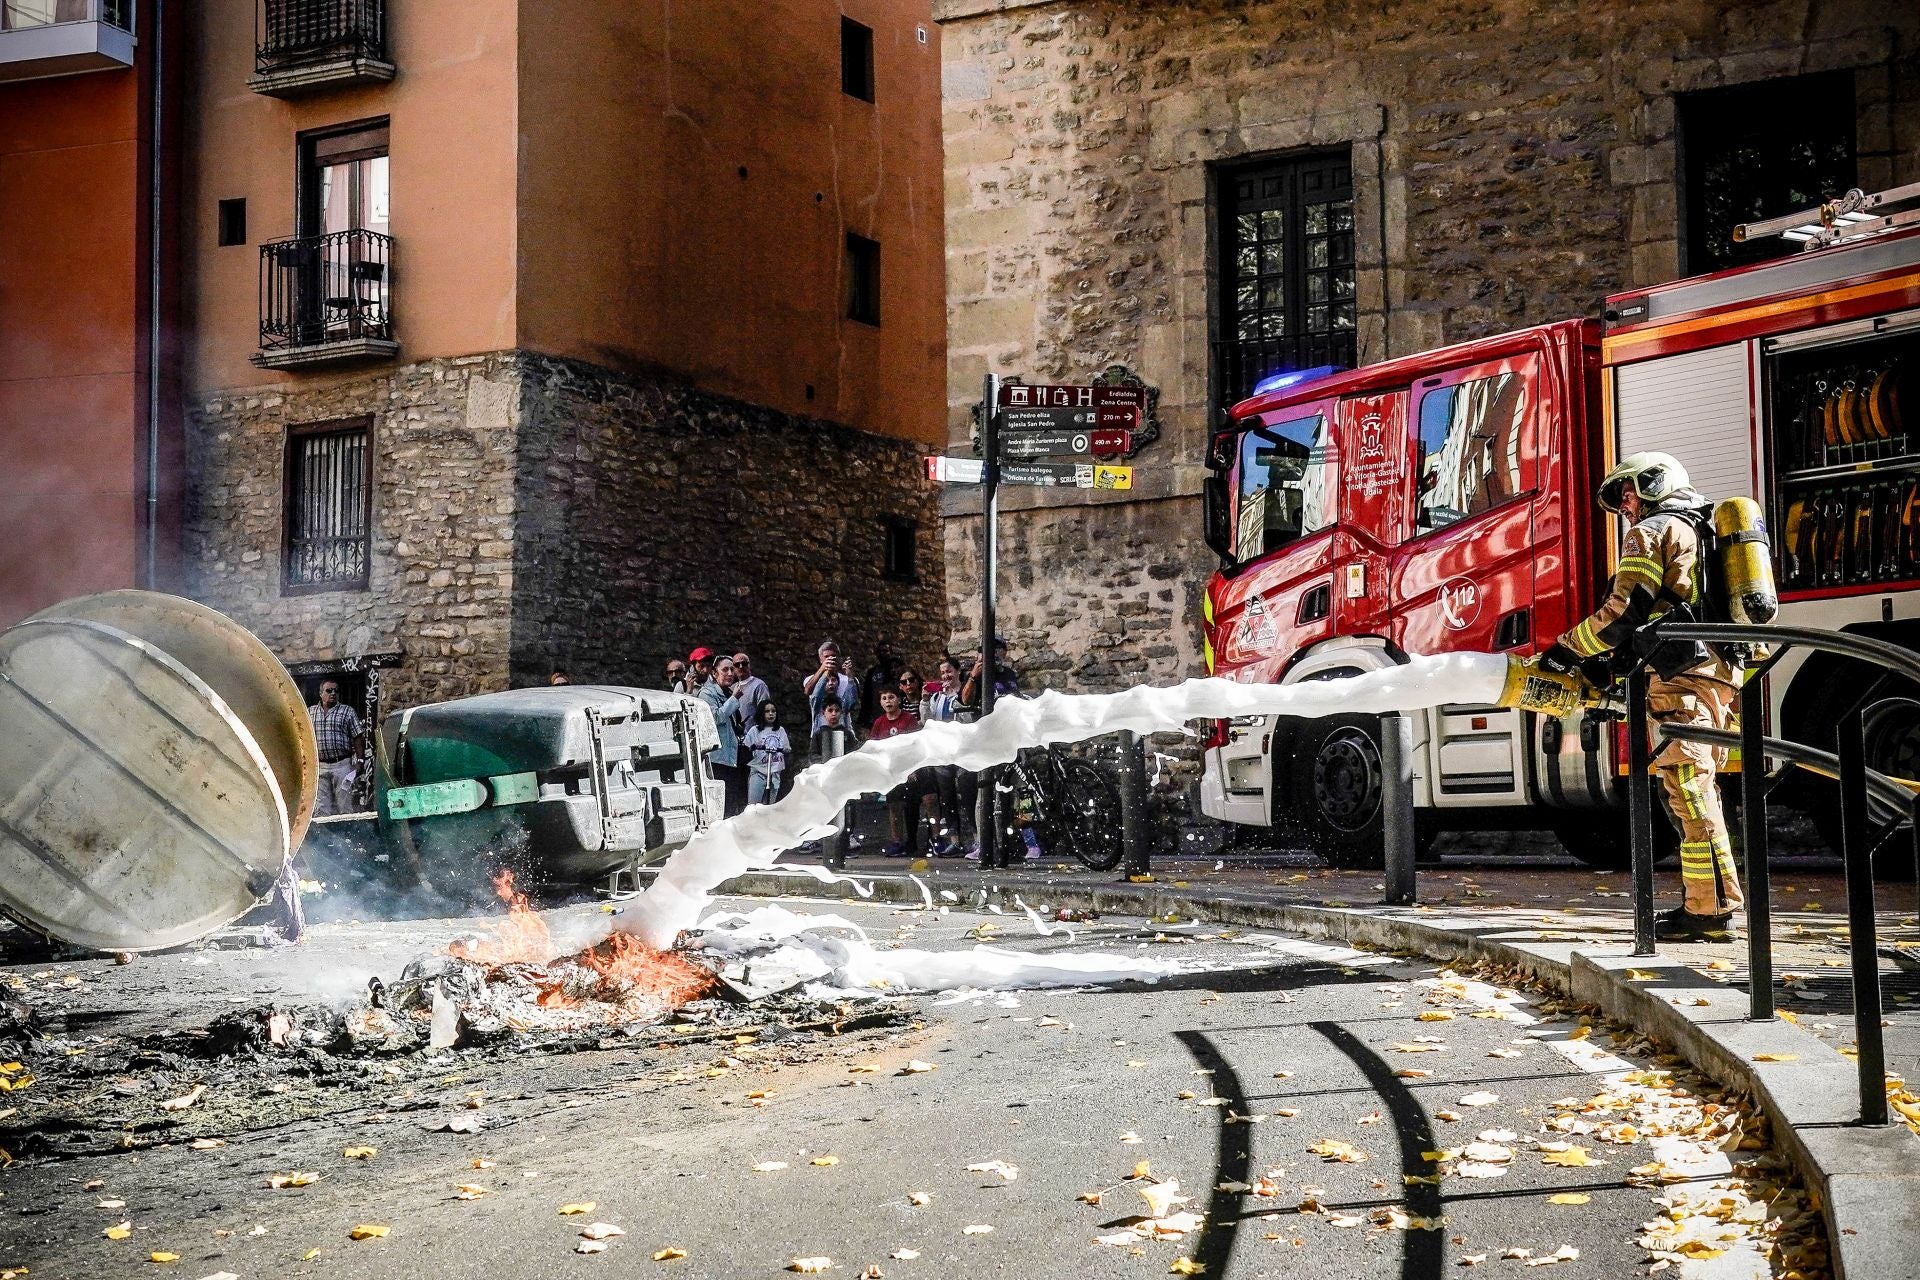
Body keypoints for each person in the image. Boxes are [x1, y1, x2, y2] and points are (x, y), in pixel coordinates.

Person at [1537, 452, 1745, 940]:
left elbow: (1622, 610)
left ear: (1655, 483)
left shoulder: (1651, 532)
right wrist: (1615, 664)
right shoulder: (1699, 529)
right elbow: (1661, 612)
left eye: (1627, 491)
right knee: (1695, 789)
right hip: (1709, 671)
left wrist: (1566, 652)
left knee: (1688, 788)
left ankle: (1712, 912)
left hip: (1685, 677)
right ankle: (1708, 904)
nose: (1624, 505)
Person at [924, 655, 975, 858]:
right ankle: (955, 841)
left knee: (969, 794)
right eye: (943, 672)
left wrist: (956, 700)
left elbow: (968, 719)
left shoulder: (965, 692)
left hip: (963, 751)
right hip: (943, 752)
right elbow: (927, 721)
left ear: (957, 672)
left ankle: (977, 838)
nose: (946, 675)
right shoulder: (938, 697)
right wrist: (925, 701)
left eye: (949, 671)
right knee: (947, 798)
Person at [867, 687, 923, 857]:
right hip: (890, 771)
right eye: (884, 698)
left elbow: (916, 744)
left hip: (908, 769)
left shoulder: (908, 719)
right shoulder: (879, 722)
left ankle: (912, 841)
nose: (888, 701)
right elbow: (874, 747)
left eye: (891, 697)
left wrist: (912, 769)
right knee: (894, 806)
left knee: (911, 806)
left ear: (899, 700)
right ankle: (896, 841)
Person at [698, 654, 748, 817]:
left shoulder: (727, 693)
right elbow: (714, 718)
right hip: (716, 758)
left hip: (730, 756)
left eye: (732, 669)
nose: (730, 673)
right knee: (720, 805)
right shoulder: (707, 694)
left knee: (733, 801)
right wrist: (734, 699)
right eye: (724, 669)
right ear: (714, 673)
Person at [307, 680, 364, 818]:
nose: (333, 693)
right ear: (321, 693)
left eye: (336, 691)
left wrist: (360, 761)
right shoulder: (310, 712)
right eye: (329, 690)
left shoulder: (347, 712)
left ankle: (348, 836)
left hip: (342, 765)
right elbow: (303, 736)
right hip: (320, 766)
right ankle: (324, 838)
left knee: (345, 805)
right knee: (320, 807)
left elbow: (357, 737)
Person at [804, 639, 861, 733]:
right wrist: (823, 669)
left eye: (833, 656)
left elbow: (851, 702)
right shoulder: (812, 679)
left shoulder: (845, 679)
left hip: (843, 732)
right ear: (820, 659)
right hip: (820, 732)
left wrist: (850, 675)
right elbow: (808, 691)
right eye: (826, 657)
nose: (830, 659)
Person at [742, 700, 791, 806]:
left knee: (769, 806)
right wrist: (753, 747)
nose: (771, 714)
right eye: (767, 711)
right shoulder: (755, 730)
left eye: (773, 711)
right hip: (759, 771)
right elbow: (746, 746)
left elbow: (787, 748)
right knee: (754, 806)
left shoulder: (780, 730)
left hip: (774, 772)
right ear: (761, 713)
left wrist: (782, 749)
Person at [864, 640, 901, 724]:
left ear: (890, 652)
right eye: (879, 651)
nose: (882, 654)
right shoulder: (872, 672)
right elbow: (867, 697)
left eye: (885, 651)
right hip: (876, 715)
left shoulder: (895, 670)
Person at [732, 651, 771, 728]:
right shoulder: (732, 688)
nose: (741, 666)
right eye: (737, 665)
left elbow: (766, 711)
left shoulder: (759, 686)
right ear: (733, 668)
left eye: (744, 663)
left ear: (749, 665)